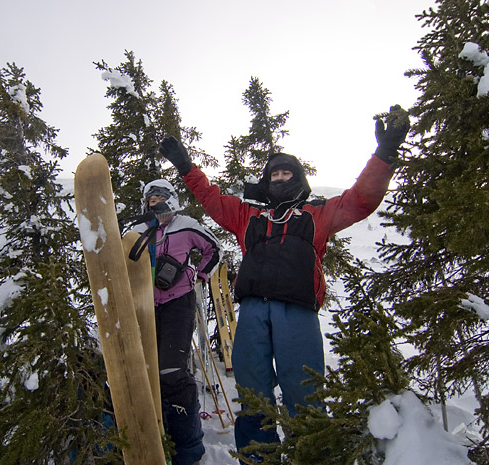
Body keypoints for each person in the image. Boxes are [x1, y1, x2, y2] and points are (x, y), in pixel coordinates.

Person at [157, 105, 410, 463]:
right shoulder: (248, 215)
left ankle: (312, 456)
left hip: (297, 313)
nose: (279, 178)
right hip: (253, 313)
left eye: (286, 172)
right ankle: (258, 458)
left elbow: (361, 199)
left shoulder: (317, 213)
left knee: (303, 393)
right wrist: (186, 166)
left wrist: (385, 153)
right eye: (274, 174)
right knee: (252, 392)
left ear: (298, 177)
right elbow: (211, 199)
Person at [131, 179, 221, 465]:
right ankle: (156, 436)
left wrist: (200, 275)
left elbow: (214, 249)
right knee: (146, 370)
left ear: (171, 199)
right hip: (145, 305)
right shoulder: (138, 231)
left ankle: (188, 447)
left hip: (178, 303)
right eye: (151, 200)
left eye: (160, 198)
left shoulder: (187, 225)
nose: (156, 203)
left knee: (171, 369)